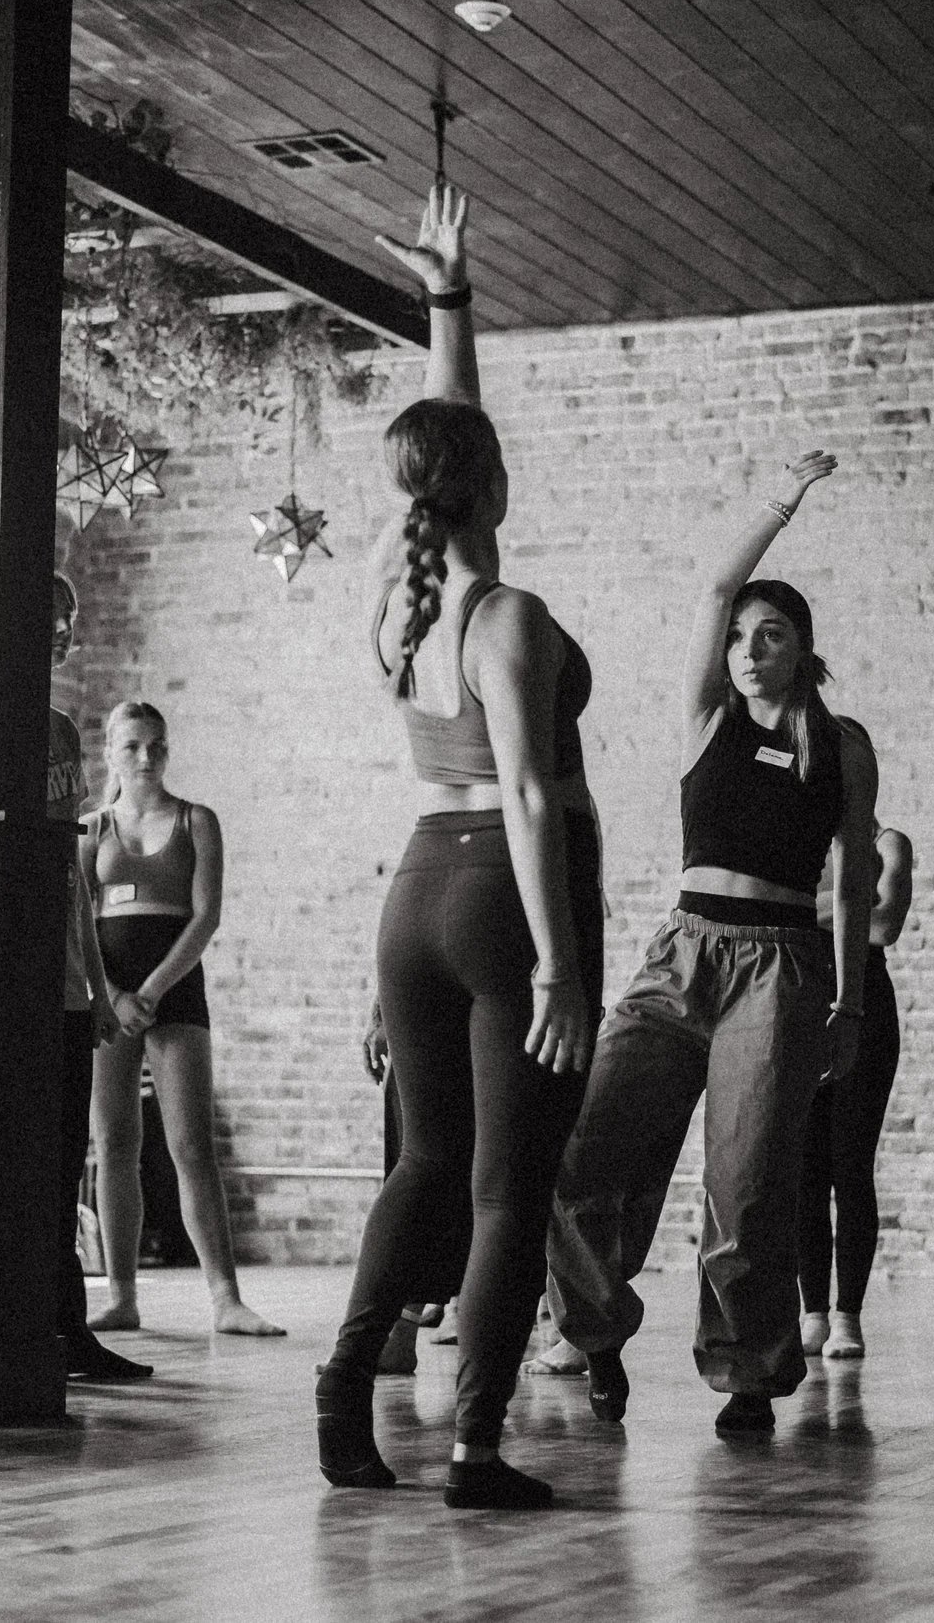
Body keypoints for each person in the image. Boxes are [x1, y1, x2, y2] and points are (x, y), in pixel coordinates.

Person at [316, 183, 603, 1512]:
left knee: (426, 1162)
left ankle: (343, 1383)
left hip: (413, 890)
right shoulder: (512, 617)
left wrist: (447, 302)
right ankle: (480, 1446)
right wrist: (558, 968)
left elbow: (447, 443)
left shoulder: (400, 602)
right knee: (505, 1187)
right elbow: (536, 800)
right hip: (502, 890)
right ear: (495, 482)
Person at [545, 449, 880, 1438]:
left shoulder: (841, 742)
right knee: (583, 1155)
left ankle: (745, 1369)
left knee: (745, 1184)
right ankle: (595, 1330)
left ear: (801, 647)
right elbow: (714, 583)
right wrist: (782, 501)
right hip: (682, 954)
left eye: (769, 635)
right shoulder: (706, 719)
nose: (746, 645)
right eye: (737, 635)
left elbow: (852, 878)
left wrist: (850, 999)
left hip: (781, 967)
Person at [82, 701, 280, 1338]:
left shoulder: (197, 821)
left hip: (173, 991)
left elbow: (206, 917)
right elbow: (79, 926)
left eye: (157, 746)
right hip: (111, 997)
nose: (146, 758)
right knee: (114, 1143)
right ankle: (121, 1294)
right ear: (110, 750)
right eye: (133, 746)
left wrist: (152, 991)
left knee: (191, 1145)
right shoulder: (91, 831)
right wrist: (114, 996)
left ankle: (226, 1298)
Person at [46, 579, 151, 1383]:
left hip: (59, 973)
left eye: (69, 622)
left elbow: (69, 870)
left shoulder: (56, 730)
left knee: (60, 1155)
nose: (62, 635)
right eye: (49, 619)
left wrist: (85, 976)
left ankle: (64, 1326)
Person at [799, 813, 913, 1361]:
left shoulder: (887, 843)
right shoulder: (794, 834)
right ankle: (812, 1313)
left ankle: (848, 1316)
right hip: (799, 998)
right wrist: (850, 912)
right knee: (804, 1169)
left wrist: (809, 914)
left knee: (850, 1163)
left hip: (866, 1002)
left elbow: (885, 925)